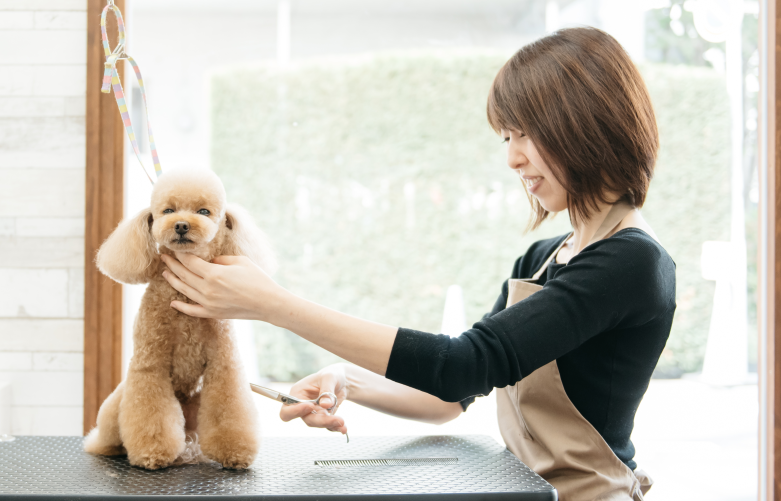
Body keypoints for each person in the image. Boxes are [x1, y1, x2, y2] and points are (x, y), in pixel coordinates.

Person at [161, 27, 675, 501]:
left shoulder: (631, 262)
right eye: (506, 137)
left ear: (584, 123)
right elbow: (452, 396)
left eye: (525, 133)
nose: (513, 158)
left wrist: (273, 304)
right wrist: (347, 380)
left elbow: (461, 365)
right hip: (523, 491)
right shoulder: (542, 259)